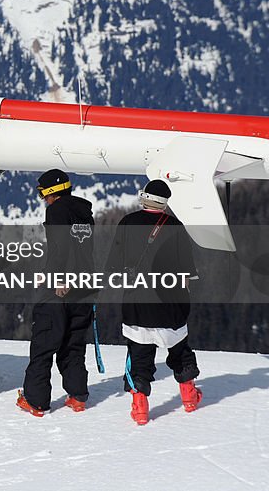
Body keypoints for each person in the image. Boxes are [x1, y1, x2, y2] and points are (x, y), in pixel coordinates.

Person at [106, 179, 201, 425]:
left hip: (138, 303)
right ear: (165, 203)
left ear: (144, 197)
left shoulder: (127, 223)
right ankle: (189, 397)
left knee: (139, 356)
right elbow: (187, 272)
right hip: (169, 304)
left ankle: (140, 409)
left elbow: (114, 265)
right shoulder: (175, 226)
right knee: (180, 350)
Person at [18, 169, 96, 417]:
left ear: (52, 191)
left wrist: (59, 278)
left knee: (44, 342)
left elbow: (61, 246)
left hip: (60, 288)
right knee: (73, 343)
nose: (43, 199)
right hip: (85, 286)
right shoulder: (83, 212)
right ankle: (77, 396)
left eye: (43, 193)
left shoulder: (57, 210)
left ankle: (36, 401)